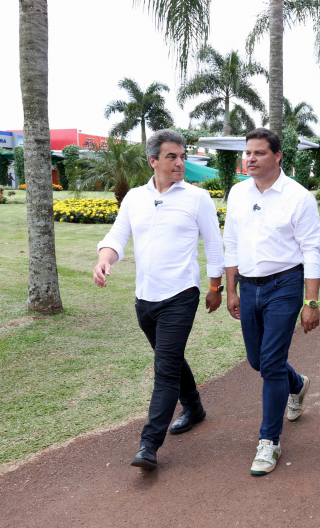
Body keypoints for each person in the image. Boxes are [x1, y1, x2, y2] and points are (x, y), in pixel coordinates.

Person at [93, 129, 225, 470]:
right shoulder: (135, 198)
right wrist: (104, 259)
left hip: (181, 294)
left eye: (182, 156)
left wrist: (215, 287)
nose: (180, 162)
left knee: (164, 369)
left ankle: (149, 444)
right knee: (171, 358)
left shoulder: (197, 198)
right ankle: (194, 407)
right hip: (145, 298)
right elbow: (117, 236)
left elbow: (213, 245)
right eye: (172, 157)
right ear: (153, 161)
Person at [223, 127, 320, 476]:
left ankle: (270, 441)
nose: (250, 159)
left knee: (270, 361)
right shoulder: (237, 194)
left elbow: (311, 249)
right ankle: (297, 384)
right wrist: (231, 289)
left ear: (277, 156)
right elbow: (230, 243)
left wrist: (311, 302)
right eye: (247, 153)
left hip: (285, 285)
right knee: (258, 361)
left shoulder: (298, 197)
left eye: (258, 153)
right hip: (248, 287)